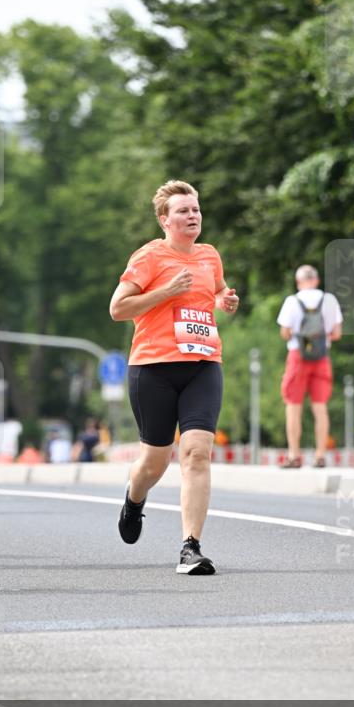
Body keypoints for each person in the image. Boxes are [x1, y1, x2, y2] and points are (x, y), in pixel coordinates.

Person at [109, 179, 239, 574]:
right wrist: (165, 291)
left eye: (196, 209)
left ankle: (190, 547)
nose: (192, 216)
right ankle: (134, 498)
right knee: (155, 460)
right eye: (183, 211)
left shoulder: (209, 256)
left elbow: (213, 293)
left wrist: (223, 300)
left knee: (197, 452)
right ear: (165, 220)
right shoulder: (149, 257)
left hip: (203, 364)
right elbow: (119, 308)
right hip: (153, 367)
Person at [276, 265, 343, 468]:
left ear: (298, 283)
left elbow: (285, 333)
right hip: (322, 357)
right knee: (320, 407)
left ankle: (294, 455)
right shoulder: (329, 300)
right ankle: (320, 455)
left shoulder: (292, 301)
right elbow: (337, 333)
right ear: (316, 280)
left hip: (298, 356)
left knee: (293, 407)